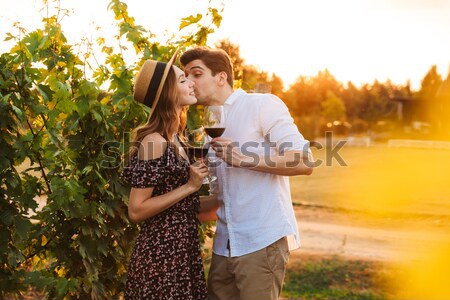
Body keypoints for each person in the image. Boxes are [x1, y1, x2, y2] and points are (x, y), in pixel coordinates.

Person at [181, 47, 313, 300]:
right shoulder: (208, 131)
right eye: (186, 77)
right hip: (223, 247)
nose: (190, 82)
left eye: (196, 74)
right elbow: (222, 199)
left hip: (261, 242)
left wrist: (245, 159)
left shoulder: (261, 105)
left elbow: (305, 162)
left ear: (221, 77)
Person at [121, 51, 219, 300]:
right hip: (160, 256)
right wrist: (189, 186)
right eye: (182, 80)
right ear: (167, 93)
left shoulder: (177, 138)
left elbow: (184, 206)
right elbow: (136, 210)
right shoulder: (154, 141)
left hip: (182, 251)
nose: (191, 82)